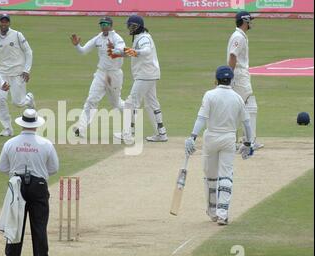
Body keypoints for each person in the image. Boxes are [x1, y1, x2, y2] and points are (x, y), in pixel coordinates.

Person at [184, 66, 253, 225]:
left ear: (215, 80)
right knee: (226, 175)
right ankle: (223, 213)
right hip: (229, 138)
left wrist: (192, 137)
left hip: (211, 138)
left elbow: (201, 118)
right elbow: (247, 124)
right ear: (232, 80)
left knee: (210, 176)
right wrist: (248, 143)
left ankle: (213, 211)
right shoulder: (237, 98)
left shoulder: (210, 95)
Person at [0, 109, 59, 256]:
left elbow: (2, 168)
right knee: (39, 226)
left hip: (17, 186)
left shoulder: (10, 143)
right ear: (36, 125)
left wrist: (15, 172)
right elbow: (54, 168)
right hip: (38, 185)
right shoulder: (45, 144)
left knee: (15, 225)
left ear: (22, 124)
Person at [112, 15, 168, 143]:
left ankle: (128, 134)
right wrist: (120, 53)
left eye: (130, 26)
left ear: (137, 27)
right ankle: (161, 133)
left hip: (145, 76)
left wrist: (127, 51)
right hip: (150, 75)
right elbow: (136, 53)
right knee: (152, 104)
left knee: (131, 103)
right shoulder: (141, 37)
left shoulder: (143, 38)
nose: (128, 28)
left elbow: (145, 51)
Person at [70, 17, 126, 137]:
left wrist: (114, 49)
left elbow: (122, 51)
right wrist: (77, 46)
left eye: (106, 24)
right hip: (101, 73)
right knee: (91, 100)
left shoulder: (117, 38)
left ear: (111, 25)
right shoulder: (98, 38)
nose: (103, 26)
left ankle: (132, 113)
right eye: (101, 24)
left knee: (116, 103)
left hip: (114, 74)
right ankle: (81, 128)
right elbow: (83, 51)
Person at [0, 14, 35, 137]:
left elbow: (28, 51)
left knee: (18, 103)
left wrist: (27, 70)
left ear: (9, 23)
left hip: (18, 73)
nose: (4, 24)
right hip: (2, 75)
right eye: (2, 22)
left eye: (6, 22)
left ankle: (29, 99)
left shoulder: (17, 35)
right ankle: (7, 128)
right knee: (0, 101)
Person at [227, 11, 263, 150]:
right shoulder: (238, 37)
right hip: (239, 75)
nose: (251, 23)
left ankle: (245, 140)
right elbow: (232, 56)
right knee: (247, 106)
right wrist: (229, 76)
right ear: (244, 21)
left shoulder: (240, 36)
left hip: (240, 75)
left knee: (243, 107)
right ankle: (247, 141)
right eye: (249, 21)